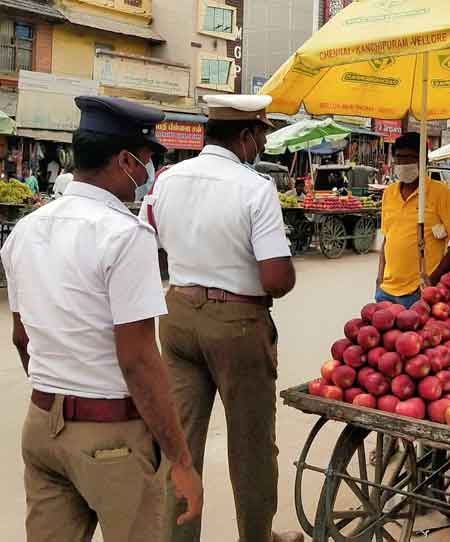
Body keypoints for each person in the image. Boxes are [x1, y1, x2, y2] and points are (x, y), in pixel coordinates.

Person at [1, 96, 202, 541]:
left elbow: (21, 338)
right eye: (147, 158)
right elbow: (139, 361)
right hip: (110, 435)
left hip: (42, 427)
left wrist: (60, 390)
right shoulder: (125, 236)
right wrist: (181, 461)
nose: (147, 172)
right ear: (124, 160)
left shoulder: (26, 230)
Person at [142, 94, 299, 542]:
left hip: (177, 315)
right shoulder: (254, 187)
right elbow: (274, 279)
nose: (262, 147)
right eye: (261, 137)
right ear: (247, 136)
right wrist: (286, 272)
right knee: (250, 443)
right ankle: (256, 536)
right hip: (238, 324)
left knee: (180, 442)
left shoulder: (167, 179)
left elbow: (143, 245)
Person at [377, 132, 450, 308]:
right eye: (399, 158)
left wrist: (432, 282)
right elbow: (387, 239)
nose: (403, 163)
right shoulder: (389, 193)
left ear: (423, 160)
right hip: (385, 291)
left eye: (409, 158)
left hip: (418, 293)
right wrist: (379, 278)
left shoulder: (441, 194)